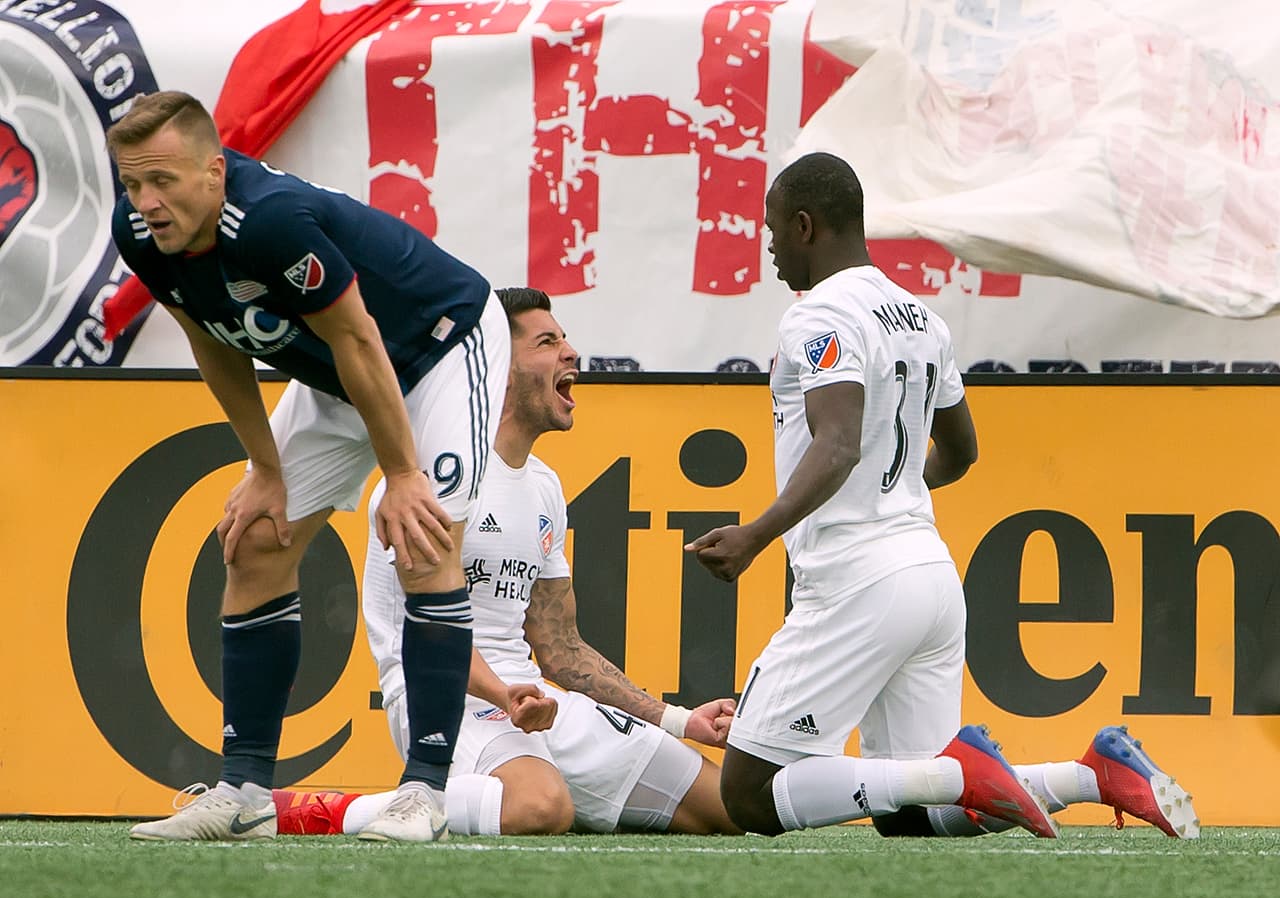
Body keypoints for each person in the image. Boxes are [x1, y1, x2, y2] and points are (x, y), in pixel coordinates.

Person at [685, 151, 1200, 840]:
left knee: (750, 792)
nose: (770, 246)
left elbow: (836, 444)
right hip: (928, 575)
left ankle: (961, 771)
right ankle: (1091, 775)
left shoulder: (818, 315)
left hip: (855, 582)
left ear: (805, 225)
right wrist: (890, 483)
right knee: (915, 819)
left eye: (773, 229)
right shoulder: (921, 319)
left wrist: (756, 533)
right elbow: (961, 452)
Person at [109, 91, 529, 843]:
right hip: (341, 367)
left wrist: (402, 475)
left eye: (164, 181)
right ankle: (244, 794)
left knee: (424, 539)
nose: (147, 202)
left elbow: (362, 337)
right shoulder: (141, 235)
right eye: (133, 183)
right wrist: (263, 468)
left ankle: (425, 793)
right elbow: (214, 341)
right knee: (256, 540)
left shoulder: (268, 221)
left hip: (437, 345)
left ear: (215, 170)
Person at [273, 288, 740, 837]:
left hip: (532, 699)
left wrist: (681, 719)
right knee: (540, 809)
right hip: (442, 695)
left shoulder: (544, 486)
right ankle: (336, 809)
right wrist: (503, 694)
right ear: (500, 365)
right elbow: (424, 633)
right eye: (549, 341)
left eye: (565, 338)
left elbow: (561, 651)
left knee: (730, 809)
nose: (571, 352)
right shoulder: (431, 476)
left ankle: (545, 789)